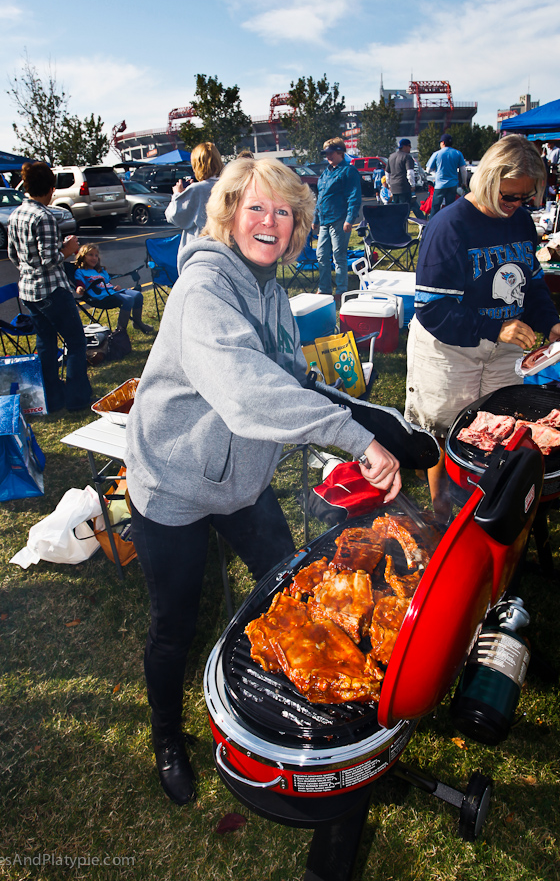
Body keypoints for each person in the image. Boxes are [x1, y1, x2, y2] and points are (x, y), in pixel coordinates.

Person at [125, 157, 401, 805]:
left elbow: (286, 376)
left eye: (284, 212)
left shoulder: (270, 289)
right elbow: (246, 391)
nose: (270, 223)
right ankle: (167, 736)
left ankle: (313, 703)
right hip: (173, 482)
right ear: (228, 212)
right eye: (256, 208)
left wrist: (366, 416)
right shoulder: (204, 288)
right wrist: (353, 438)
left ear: (300, 224)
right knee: (174, 624)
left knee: (288, 575)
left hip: (239, 482)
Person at [404, 135, 560, 521]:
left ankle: (484, 502)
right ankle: (441, 509)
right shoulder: (449, 226)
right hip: (450, 348)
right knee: (444, 431)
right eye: (509, 196)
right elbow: (432, 309)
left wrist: (551, 322)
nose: (516, 207)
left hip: (503, 346)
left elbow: (532, 283)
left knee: (497, 429)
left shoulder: (521, 222)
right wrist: (495, 329)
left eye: (525, 198)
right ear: (488, 180)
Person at [7, 161, 92, 413]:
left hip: (29, 291)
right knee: (76, 342)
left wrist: (30, 266)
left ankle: (52, 399)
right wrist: (67, 250)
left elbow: (13, 255)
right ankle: (77, 399)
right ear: (50, 188)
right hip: (51, 291)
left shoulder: (16, 214)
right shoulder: (44, 216)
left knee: (45, 343)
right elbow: (48, 259)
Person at [314, 138, 362, 302]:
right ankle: (325, 289)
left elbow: (354, 196)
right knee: (321, 255)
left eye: (331, 153)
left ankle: (341, 291)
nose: (328, 156)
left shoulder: (348, 172)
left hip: (339, 220)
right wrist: (315, 218)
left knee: (338, 256)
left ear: (340, 152)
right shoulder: (326, 173)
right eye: (326, 153)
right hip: (325, 220)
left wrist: (349, 219)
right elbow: (320, 197)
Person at [73, 243, 154, 334]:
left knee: (138, 295)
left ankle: (137, 323)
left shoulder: (100, 270)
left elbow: (107, 283)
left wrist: (115, 287)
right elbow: (79, 284)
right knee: (128, 299)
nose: (94, 258)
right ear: (83, 256)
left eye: (96, 255)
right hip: (101, 297)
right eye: (90, 255)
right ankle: (120, 331)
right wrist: (80, 289)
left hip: (111, 292)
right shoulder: (80, 271)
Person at [164, 141, 223, 263]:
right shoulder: (226, 185)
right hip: (222, 248)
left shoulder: (196, 189)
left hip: (198, 252)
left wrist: (177, 195)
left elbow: (174, 216)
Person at [426, 133, 466, 217]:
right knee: (450, 207)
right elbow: (463, 170)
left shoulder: (437, 154)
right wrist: (464, 182)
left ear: (443, 142)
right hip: (452, 184)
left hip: (440, 185)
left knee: (435, 207)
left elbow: (428, 169)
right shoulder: (458, 153)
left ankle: (432, 225)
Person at [387, 138, 421, 216]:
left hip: (394, 187)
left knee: (396, 207)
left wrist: (389, 185)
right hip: (404, 186)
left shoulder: (391, 157)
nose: (410, 148)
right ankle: (422, 222)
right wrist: (412, 184)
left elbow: (387, 173)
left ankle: (396, 223)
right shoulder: (407, 157)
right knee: (407, 207)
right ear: (404, 146)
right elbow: (410, 172)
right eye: (409, 146)